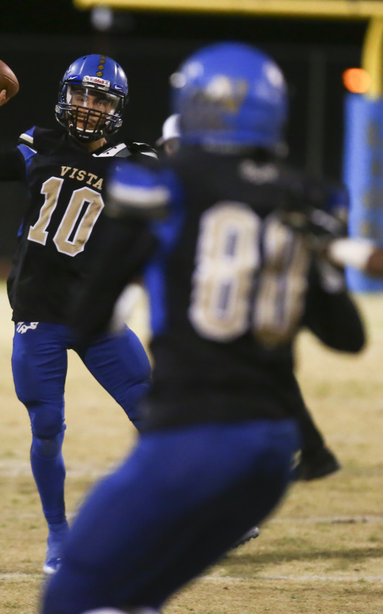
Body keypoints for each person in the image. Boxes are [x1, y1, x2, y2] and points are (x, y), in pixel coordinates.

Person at [40, 42, 366, 614]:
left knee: (71, 597)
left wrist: (127, 245)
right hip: (271, 454)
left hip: (194, 437)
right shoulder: (301, 196)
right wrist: (325, 266)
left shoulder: (163, 184)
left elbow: (88, 317)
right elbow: (347, 338)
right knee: (137, 595)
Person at [0, 54, 156, 575]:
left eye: (100, 98)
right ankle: (59, 536)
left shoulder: (140, 161)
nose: (87, 106)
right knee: (47, 426)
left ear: (117, 108)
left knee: (158, 417)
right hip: (38, 312)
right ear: (64, 96)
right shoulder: (37, 144)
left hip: (98, 317)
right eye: (80, 94)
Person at [156, 115, 343, 483]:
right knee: (271, 373)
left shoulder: (218, 189)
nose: (176, 156)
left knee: (254, 371)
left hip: (242, 299)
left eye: (179, 147)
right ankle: (313, 450)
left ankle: (303, 452)